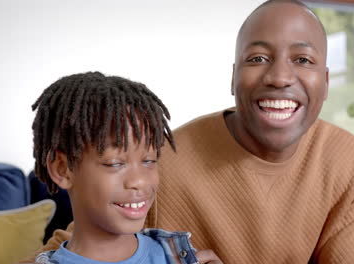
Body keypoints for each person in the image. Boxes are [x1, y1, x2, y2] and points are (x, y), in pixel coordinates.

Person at [22, 0, 354, 263]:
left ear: (327, 81)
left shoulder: (345, 158)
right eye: (257, 58)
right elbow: (83, 244)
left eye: (302, 60)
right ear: (232, 76)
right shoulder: (160, 162)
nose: (280, 77)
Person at [28, 71, 221, 264]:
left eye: (149, 160)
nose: (139, 180)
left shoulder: (178, 255)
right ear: (62, 169)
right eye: (115, 163)